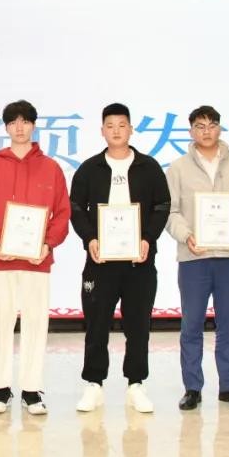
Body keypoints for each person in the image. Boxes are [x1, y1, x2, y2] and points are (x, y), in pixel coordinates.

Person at [0, 100, 70, 415]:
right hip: (0, 259)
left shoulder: (51, 168)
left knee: (36, 323)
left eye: (25, 121)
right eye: (13, 122)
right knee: (0, 321)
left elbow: (62, 213)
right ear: (6, 128)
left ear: (34, 126)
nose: (19, 127)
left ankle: (31, 389)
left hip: (37, 261)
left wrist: (48, 245)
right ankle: (1, 388)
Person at [70, 103, 171, 414]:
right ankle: (94, 383)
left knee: (138, 325)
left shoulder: (148, 167)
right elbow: (76, 208)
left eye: (122, 125)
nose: (116, 131)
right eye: (110, 125)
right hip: (100, 262)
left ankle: (135, 384)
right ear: (102, 131)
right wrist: (90, 239)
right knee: (96, 324)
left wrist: (147, 238)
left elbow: (162, 206)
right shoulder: (89, 168)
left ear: (131, 129)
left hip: (139, 262)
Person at [164, 105, 229, 411]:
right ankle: (192, 387)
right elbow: (170, 211)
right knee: (191, 324)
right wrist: (186, 236)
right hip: (194, 256)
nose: (206, 131)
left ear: (220, 128)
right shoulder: (178, 168)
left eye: (212, 125)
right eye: (200, 126)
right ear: (191, 131)